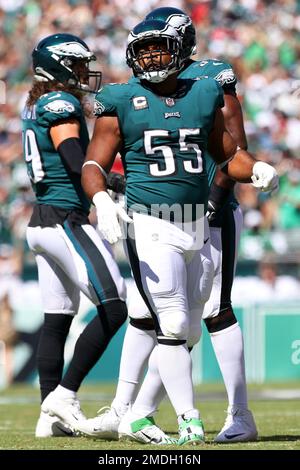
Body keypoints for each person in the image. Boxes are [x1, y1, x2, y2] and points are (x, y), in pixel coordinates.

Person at [81, 18, 278, 445]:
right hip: (153, 219)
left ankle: (155, 412)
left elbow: (231, 152)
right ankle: (137, 411)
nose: (153, 56)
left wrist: (246, 175)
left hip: (204, 215)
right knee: (155, 317)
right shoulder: (121, 97)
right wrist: (101, 198)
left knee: (195, 320)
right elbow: (94, 161)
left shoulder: (208, 84)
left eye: (160, 47)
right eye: (145, 49)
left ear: (180, 44)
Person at [22, 33, 128, 437]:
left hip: (42, 221)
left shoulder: (34, 103)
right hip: (65, 219)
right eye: (79, 64)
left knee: (57, 319)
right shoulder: (60, 104)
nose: (85, 72)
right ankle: (63, 396)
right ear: (61, 65)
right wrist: (110, 186)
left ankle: (49, 417)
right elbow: (72, 156)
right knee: (114, 306)